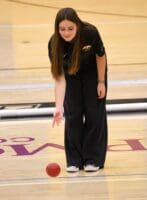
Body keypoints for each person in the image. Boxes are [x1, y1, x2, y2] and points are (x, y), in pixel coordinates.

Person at [48, 7, 108, 173]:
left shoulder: (90, 33)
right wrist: (58, 107)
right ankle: (74, 160)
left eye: (70, 28)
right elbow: (59, 78)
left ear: (77, 26)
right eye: (62, 29)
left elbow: (101, 56)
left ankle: (92, 159)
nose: (66, 33)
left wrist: (101, 81)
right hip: (70, 76)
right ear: (57, 29)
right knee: (73, 115)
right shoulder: (54, 44)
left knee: (94, 114)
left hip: (93, 74)